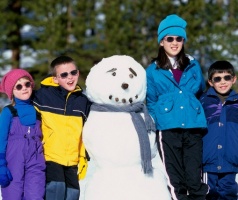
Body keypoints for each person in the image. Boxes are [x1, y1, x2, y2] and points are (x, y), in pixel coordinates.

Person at [146, 14, 208, 200]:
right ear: (161, 42)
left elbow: (200, 92)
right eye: (169, 38)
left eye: (179, 38)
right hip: (168, 129)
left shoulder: (193, 65)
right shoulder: (152, 70)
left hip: (193, 127)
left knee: (194, 178)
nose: (175, 43)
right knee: (175, 180)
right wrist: (159, 120)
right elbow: (151, 101)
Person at [33, 55, 91, 200]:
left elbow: (92, 128)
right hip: (50, 156)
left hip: (72, 160)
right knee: (55, 191)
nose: (70, 77)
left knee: (72, 195)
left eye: (73, 72)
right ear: (55, 78)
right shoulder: (41, 97)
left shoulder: (83, 101)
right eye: (64, 75)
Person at [0, 69, 45, 199]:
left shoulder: (38, 111)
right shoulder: (8, 112)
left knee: (35, 195)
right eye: (18, 86)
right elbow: (1, 139)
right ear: (12, 92)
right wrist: (1, 165)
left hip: (36, 158)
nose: (24, 88)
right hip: (13, 160)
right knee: (13, 195)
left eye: (27, 84)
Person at [200, 60, 238, 199]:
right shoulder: (203, 101)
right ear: (210, 82)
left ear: (233, 79)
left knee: (229, 193)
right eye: (217, 78)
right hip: (209, 161)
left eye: (227, 77)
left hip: (230, 161)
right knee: (209, 194)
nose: (223, 82)